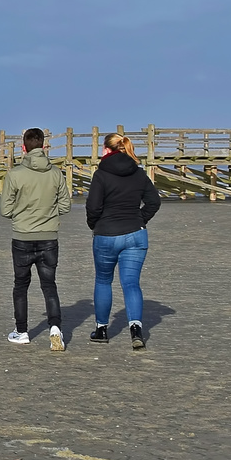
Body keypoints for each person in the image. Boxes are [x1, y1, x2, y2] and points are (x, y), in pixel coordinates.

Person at [85, 131, 162, 349]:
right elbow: (154, 202)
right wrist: (140, 219)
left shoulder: (101, 174)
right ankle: (136, 329)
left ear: (107, 150)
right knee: (131, 283)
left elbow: (93, 207)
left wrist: (96, 225)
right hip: (135, 234)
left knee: (103, 280)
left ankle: (101, 329)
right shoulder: (138, 173)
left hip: (107, 234)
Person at [0, 127, 71, 350]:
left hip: (22, 236)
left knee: (21, 285)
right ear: (43, 146)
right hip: (49, 237)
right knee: (49, 285)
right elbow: (66, 205)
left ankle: (21, 331)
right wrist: (46, 213)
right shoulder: (56, 173)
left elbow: (5, 209)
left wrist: (22, 212)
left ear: (23, 148)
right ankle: (55, 328)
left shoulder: (15, 174)